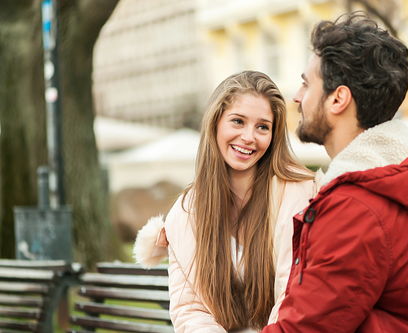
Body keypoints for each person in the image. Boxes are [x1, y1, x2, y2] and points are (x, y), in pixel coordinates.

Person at [261, 13, 408, 333]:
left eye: (307, 83)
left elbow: (303, 329)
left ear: (338, 98)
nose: (296, 95)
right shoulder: (396, 180)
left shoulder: (355, 206)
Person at [133, 71, 316, 332]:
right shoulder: (188, 211)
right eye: (238, 121)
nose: (249, 137)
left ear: (274, 135)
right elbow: (190, 308)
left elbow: (296, 294)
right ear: (215, 123)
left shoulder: (300, 194)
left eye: (262, 126)